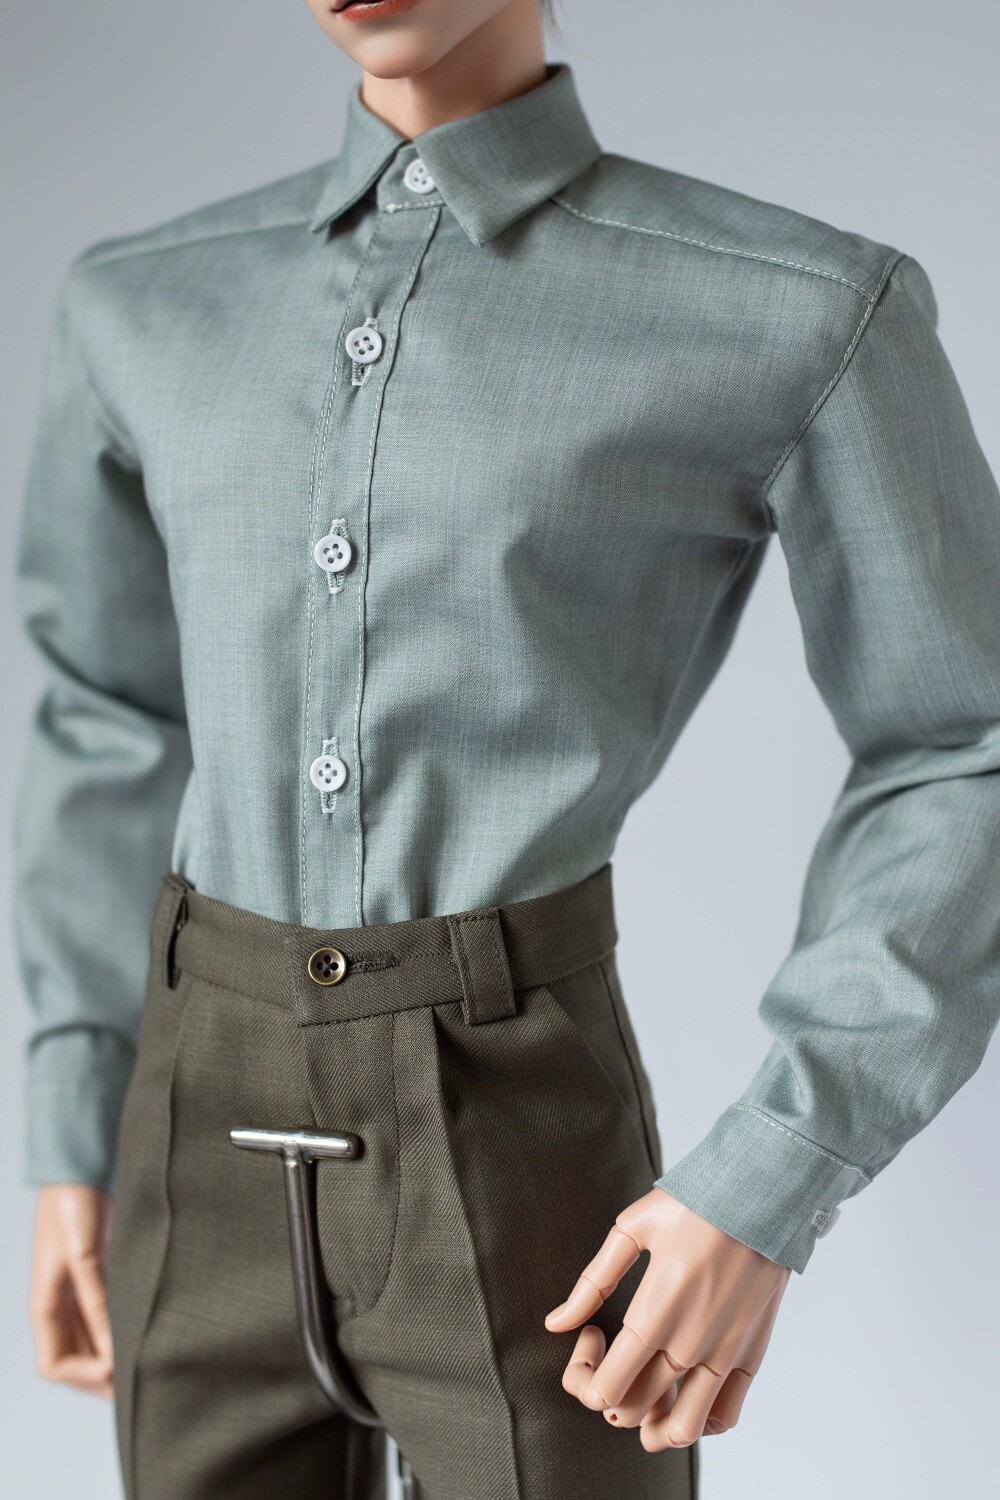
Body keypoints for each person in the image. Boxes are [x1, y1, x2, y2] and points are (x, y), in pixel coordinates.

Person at [15, 1, 1000, 1496]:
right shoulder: (137, 305)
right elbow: (108, 718)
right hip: (186, 1124)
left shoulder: (798, 306)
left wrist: (772, 1175)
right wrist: (73, 1122)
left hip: (516, 1118)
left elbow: (963, 744)